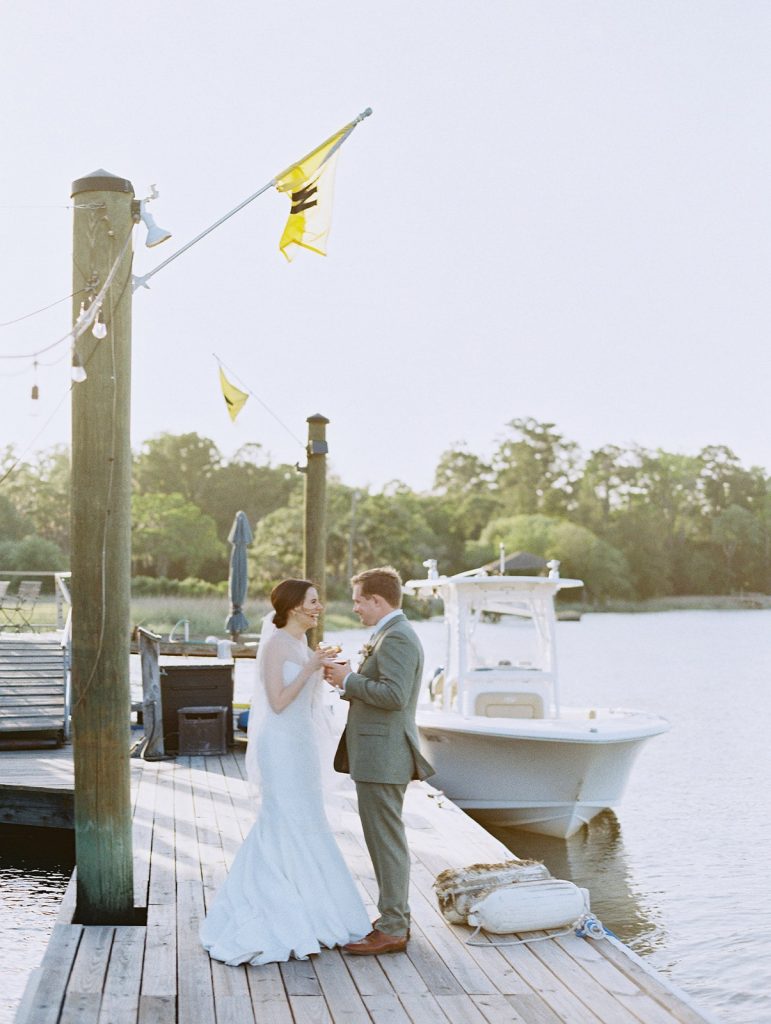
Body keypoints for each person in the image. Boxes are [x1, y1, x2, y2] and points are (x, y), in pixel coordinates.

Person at [200, 578, 370, 965]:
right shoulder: (277, 643)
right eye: (313, 602)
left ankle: (313, 909)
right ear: (294, 607)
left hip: (303, 747)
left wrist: (327, 669)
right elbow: (276, 702)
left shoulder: (300, 644)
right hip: (281, 748)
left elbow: (306, 695)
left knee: (309, 821)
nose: (319, 607)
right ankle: (276, 909)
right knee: (283, 821)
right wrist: (311, 665)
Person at [324, 565, 434, 955]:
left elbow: (394, 696)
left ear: (375, 599)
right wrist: (347, 678)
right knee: (382, 838)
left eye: (357, 600)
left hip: (385, 754)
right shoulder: (388, 633)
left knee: (386, 841)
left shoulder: (398, 637)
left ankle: (393, 927)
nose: (354, 608)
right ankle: (393, 916)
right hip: (377, 753)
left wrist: (348, 681)